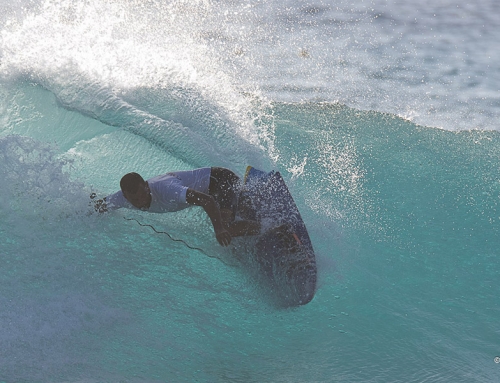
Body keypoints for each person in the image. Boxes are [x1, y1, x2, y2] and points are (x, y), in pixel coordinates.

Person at [91, 167, 260, 246]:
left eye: (143, 194)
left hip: (221, 180)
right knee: (236, 220)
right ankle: (246, 209)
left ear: (146, 185)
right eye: (134, 199)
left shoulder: (166, 189)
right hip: (213, 188)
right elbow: (100, 205)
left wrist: (219, 229)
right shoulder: (122, 198)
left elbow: (207, 200)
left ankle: (266, 227)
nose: (141, 201)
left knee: (227, 227)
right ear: (125, 196)